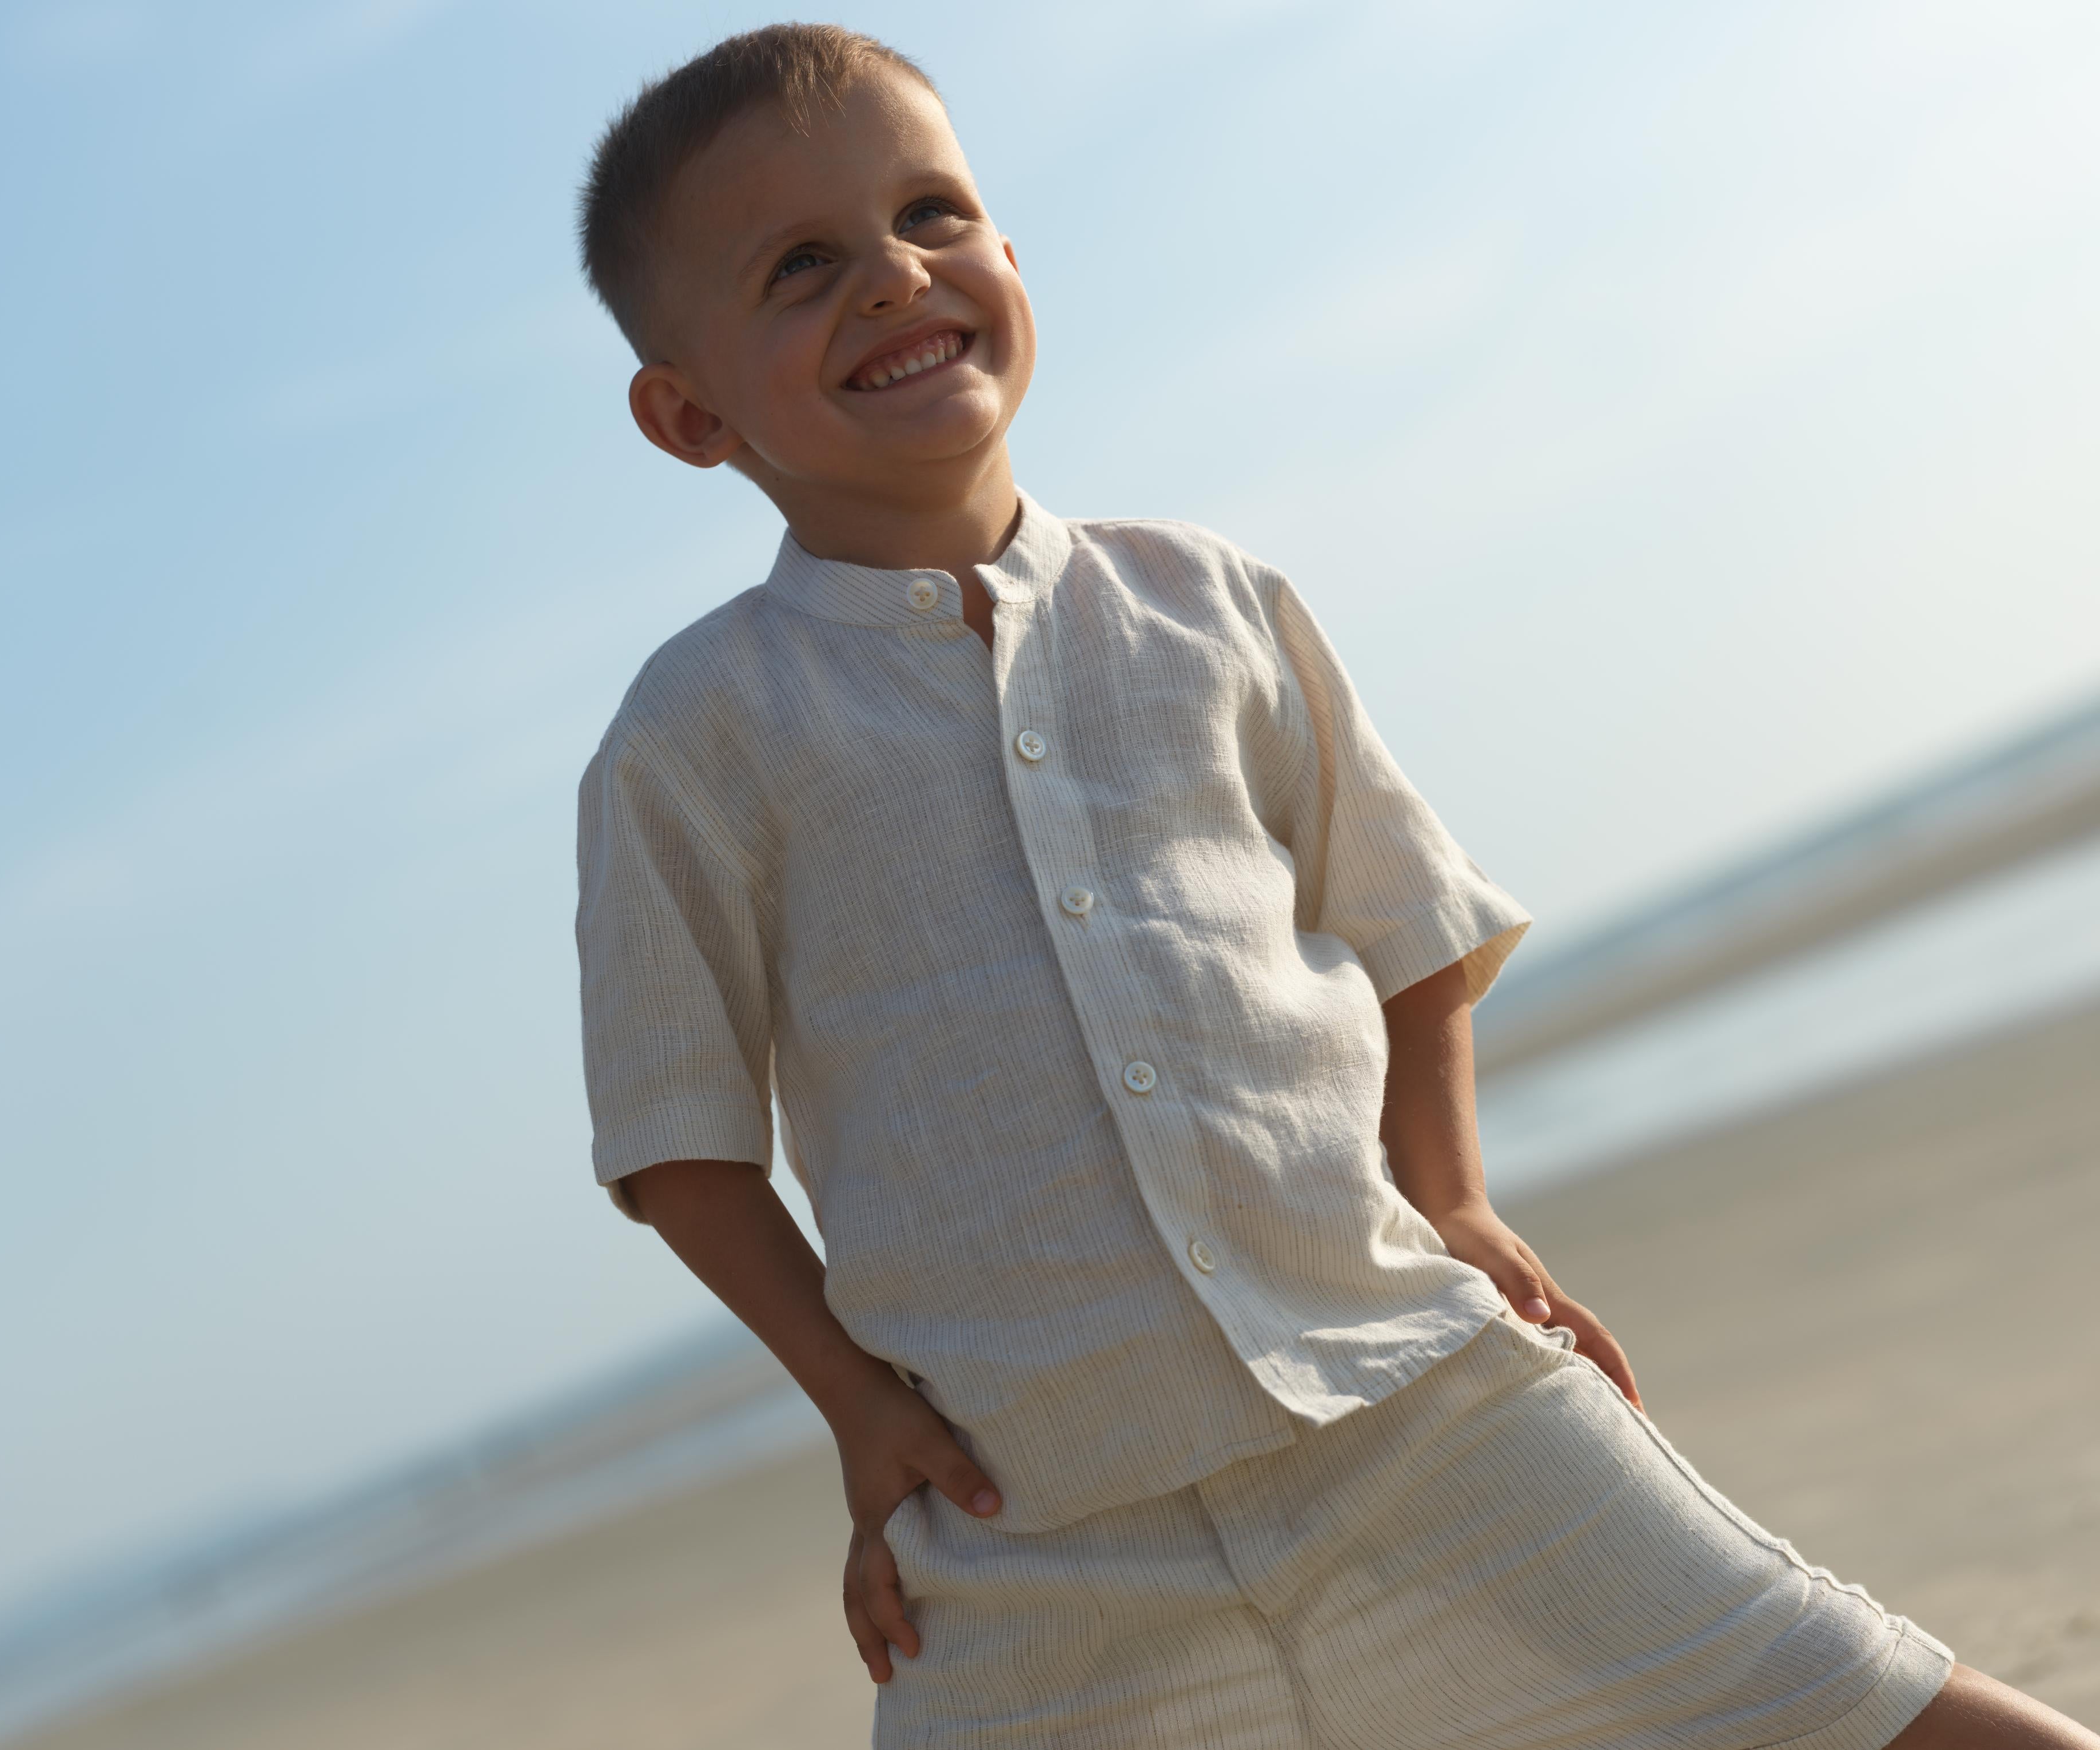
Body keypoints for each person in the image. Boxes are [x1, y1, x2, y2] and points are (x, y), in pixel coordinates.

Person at [570, 23, 2095, 1749]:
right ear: (688, 413)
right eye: (800, 265)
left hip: (1408, 1396)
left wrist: (1453, 1196)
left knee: (1841, 1691)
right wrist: (853, 1403)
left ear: (1011, 256)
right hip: (1032, 1527)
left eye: (934, 214)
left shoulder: (1206, 603)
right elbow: (679, 1137)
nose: (894, 275)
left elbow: (1404, 916)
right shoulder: (695, 740)